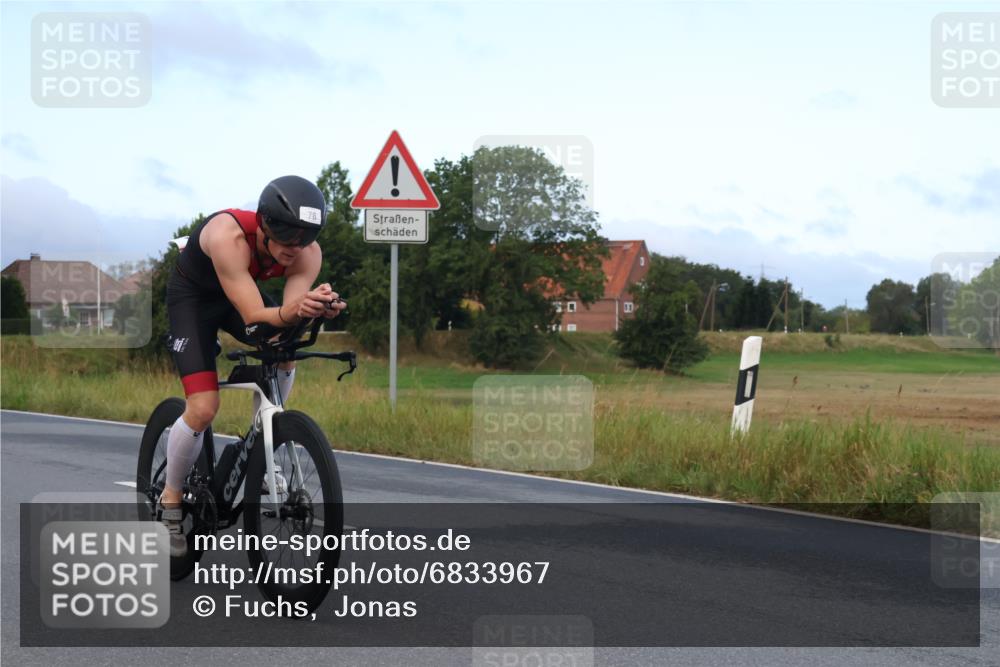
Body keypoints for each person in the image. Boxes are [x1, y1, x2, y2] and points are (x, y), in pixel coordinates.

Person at [159, 175, 347, 557]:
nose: (297, 248)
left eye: (306, 237)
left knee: (286, 346)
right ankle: (171, 501)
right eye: (289, 237)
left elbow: (287, 318)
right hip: (194, 301)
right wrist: (293, 310)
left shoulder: (308, 253)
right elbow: (255, 313)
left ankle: (265, 439)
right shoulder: (228, 237)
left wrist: (315, 309)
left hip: (236, 294)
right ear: (265, 225)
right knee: (203, 407)